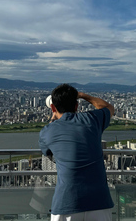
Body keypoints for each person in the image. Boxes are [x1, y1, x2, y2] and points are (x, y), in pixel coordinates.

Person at [39, 83, 115, 221]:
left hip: (66, 202)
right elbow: (108, 108)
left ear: (52, 107)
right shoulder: (92, 119)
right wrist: (82, 95)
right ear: (76, 106)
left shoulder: (47, 132)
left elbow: (49, 153)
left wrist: (53, 118)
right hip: (99, 201)